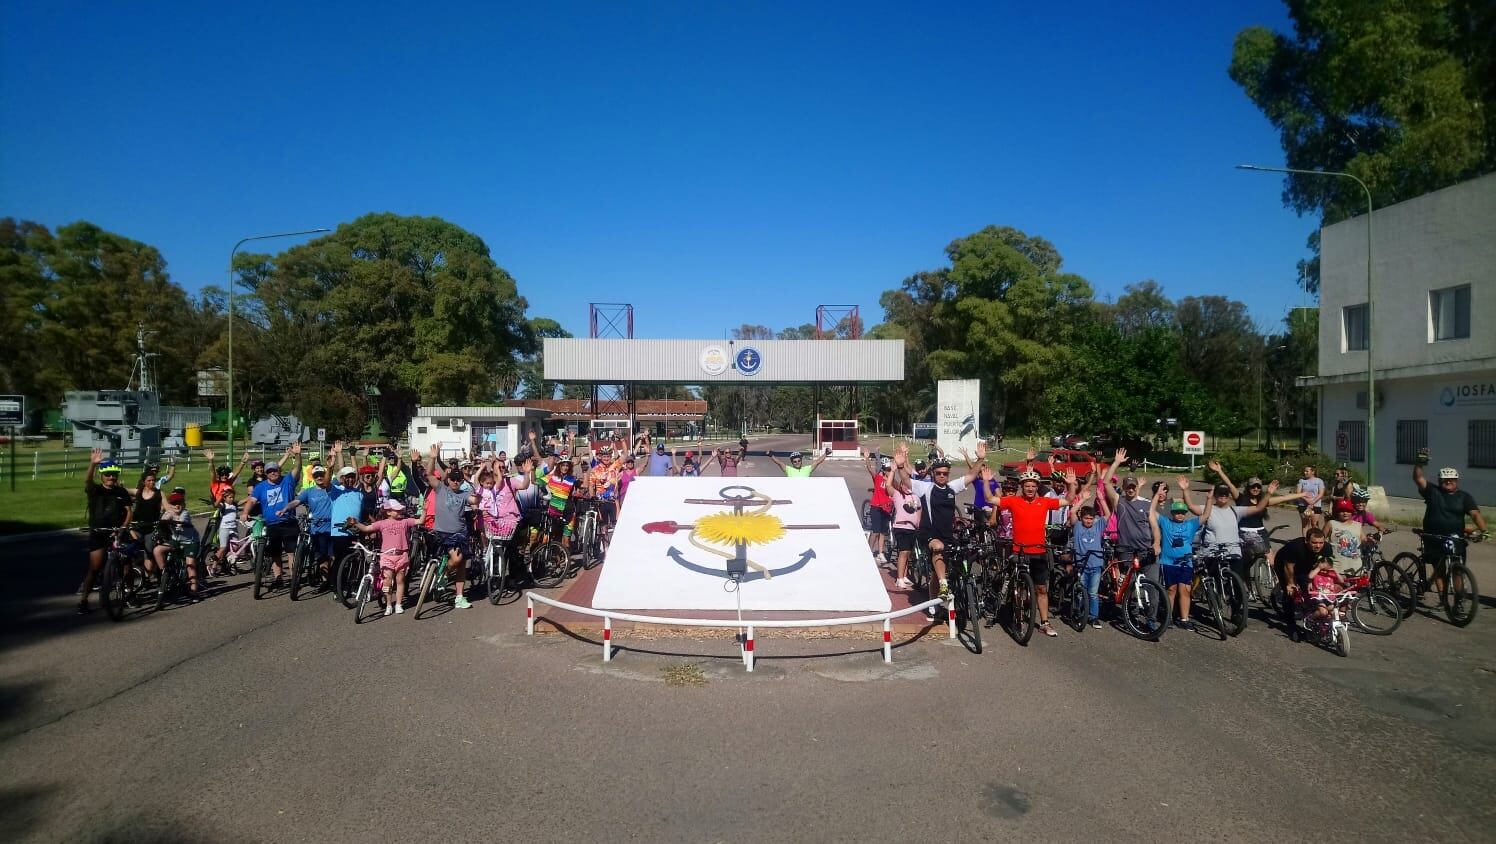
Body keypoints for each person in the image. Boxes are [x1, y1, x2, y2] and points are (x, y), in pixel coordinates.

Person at [895, 440, 988, 618]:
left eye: (945, 473)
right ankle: (944, 584)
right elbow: (906, 481)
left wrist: (980, 459)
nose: (942, 476)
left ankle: (935, 602)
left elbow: (971, 475)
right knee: (938, 549)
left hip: (947, 534)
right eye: (938, 473)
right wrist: (900, 466)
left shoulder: (952, 488)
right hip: (929, 534)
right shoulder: (926, 488)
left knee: (948, 564)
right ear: (933, 473)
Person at [999, 466, 1075, 637]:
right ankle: (1016, 611)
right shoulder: (1014, 501)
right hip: (1019, 550)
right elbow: (990, 499)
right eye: (1027, 485)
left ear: (1037, 487)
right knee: (1018, 584)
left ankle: (1044, 622)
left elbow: (1069, 500)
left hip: (1038, 551)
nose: (1030, 488)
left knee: (1041, 588)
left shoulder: (1044, 502)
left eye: (1033, 485)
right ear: (1022, 486)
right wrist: (987, 481)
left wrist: (1071, 485)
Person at [1184, 476, 1285, 586]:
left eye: (1226, 494)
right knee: (1215, 581)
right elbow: (1191, 507)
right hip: (1213, 552)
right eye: (1220, 494)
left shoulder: (1235, 511)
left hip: (1233, 552)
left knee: (1237, 584)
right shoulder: (1207, 509)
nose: (1223, 496)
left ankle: (1237, 600)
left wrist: (1268, 494)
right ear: (1215, 495)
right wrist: (1185, 490)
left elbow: (1258, 508)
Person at [1411, 462, 1487, 596]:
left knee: (1457, 569)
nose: (1448, 481)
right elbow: (1419, 478)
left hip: (1455, 538)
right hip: (1434, 537)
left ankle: (1458, 601)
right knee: (1439, 568)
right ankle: (1442, 597)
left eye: (1451, 479)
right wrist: (1419, 464)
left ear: (1457, 481)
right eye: (1445, 479)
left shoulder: (1464, 497)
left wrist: (1484, 530)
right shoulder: (1432, 491)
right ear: (1440, 481)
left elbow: (1475, 513)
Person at [78, 450, 134, 614]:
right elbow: (87, 481)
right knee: (94, 568)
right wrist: (93, 464)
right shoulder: (95, 490)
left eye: (114, 475)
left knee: (126, 565)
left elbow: (129, 512)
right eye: (108, 475)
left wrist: (124, 527)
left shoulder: (121, 492)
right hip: (98, 533)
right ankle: (83, 600)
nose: (111, 478)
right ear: (102, 476)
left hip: (117, 532)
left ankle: (129, 594)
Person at [343, 500, 421, 615]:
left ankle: (398, 604)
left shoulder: (405, 522)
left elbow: (420, 521)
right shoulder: (382, 523)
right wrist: (356, 523)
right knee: (387, 582)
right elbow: (366, 529)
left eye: (401, 509)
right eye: (397, 510)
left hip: (402, 555)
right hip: (387, 556)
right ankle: (389, 605)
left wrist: (424, 510)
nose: (400, 511)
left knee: (400, 581)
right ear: (388, 512)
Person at [244, 443, 303, 588]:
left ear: (279, 470)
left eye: (275, 470)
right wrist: (245, 512)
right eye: (270, 471)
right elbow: (251, 500)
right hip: (272, 524)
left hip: (288, 521)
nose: (273, 473)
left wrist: (297, 455)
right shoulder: (261, 487)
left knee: (291, 551)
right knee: (275, 553)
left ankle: (293, 577)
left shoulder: (287, 481)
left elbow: (297, 469)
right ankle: (278, 578)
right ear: (266, 473)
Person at [1102, 448, 1161, 586]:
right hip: (1126, 549)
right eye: (1128, 487)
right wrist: (1116, 462)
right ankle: (1128, 604)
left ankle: (1151, 606)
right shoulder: (1119, 501)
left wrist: (1156, 543)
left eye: (1133, 487)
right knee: (1129, 584)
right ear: (1123, 487)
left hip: (1144, 548)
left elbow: (1154, 527)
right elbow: (1106, 483)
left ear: (1136, 488)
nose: (1131, 489)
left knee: (1151, 584)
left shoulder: (1146, 504)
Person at [426, 457, 478, 609]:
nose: (455, 481)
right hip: (443, 532)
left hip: (460, 532)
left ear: (462, 481)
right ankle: (443, 577)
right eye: (453, 478)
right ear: (448, 479)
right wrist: (432, 457)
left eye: (459, 479)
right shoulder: (441, 489)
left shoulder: (463, 494)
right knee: (456, 559)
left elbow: (474, 500)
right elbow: (429, 474)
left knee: (461, 563)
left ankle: (459, 597)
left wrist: (479, 494)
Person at [1151, 479, 1201, 630]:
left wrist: (1186, 490)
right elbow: (1151, 512)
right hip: (1167, 559)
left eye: (1182, 512)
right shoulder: (1165, 521)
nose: (1179, 514)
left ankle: (1184, 618)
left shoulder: (1188, 522)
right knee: (1171, 589)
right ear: (1172, 513)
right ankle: (1169, 617)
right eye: (1176, 512)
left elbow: (1204, 515)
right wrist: (1156, 494)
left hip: (1184, 561)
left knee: (1184, 590)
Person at [1276, 528, 1332, 642]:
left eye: (1321, 542)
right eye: (1314, 542)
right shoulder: (1296, 547)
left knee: (1309, 590)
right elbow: (1288, 567)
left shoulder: (1327, 548)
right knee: (1291, 593)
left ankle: (1310, 618)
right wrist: (1290, 583)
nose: (1318, 546)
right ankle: (1291, 626)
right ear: (1306, 541)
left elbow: (1326, 567)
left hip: (1306, 565)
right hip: (1284, 564)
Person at [159, 491, 203, 602]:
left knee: (190, 565)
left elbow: (182, 521)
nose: (177, 505)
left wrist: (170, 521)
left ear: (183, 504)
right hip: (176, 541)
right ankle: (164, 572)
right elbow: (164, 520)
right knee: (158, 550)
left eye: (179, 503)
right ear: (170, 505)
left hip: (190, 542)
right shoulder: (169, 512)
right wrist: (162, 522)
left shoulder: (185, 513)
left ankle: (194, 592)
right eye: (174, 504)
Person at [888, 461, 922, 591]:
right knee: (903, 552)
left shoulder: (915, 496)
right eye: (904, 485)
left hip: (912, 528)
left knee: (908, 552)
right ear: (900, 486)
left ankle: (905, 575)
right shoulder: (897, 495)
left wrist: (918, 521)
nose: (907, 487)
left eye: (908, 485)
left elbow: (919, 509)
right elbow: (888, 485)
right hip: (901, 527)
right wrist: (893, 471)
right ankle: (899, 578)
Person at [862, 450, 894, 565]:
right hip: (876, 507)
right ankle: (868, 552)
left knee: (883, 532)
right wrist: (867, 458)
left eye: (890, 469)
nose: (888, 471)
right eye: (886, 469)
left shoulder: (892, 481)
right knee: (875, 531)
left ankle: (880, 553)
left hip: (887, 509)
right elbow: (870, 469)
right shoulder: (878, 478)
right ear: (883, 470)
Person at [207, 485, 240, 577]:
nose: (232, 499)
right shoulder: (223, 505)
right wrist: (221, 496)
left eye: (233, 497)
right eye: (230, 497)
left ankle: (229, 564)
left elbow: (242, 501)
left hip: (233, 528)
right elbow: (216, 505)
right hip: (224, 528)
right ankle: (213, 567)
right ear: (225, 498)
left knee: (236, 547)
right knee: (223, 548)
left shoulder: (234, 505)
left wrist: (251, 496)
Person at [1296, 465, 1326, 534]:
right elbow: (1298, 493)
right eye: (1304, 471)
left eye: (1307, 471)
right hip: (1303, 505)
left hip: (1315, 505)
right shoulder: (1302, 481)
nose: (1305, 472)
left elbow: (1321, 494)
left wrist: (1313, 502)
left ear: (1313, 472)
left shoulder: (1319, 481)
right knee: (1305, 525)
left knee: (1314, 524)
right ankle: (1305, 541)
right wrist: (1306, 500)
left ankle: (1315, 540)